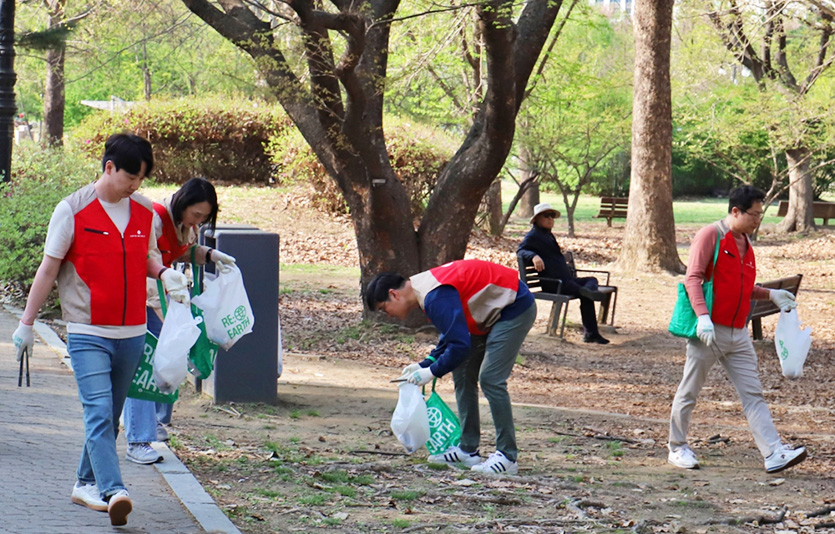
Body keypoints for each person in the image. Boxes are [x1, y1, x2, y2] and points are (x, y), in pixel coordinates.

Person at [11, 133, 190, 526]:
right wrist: (27, 324)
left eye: (141, 178)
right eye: (130, 176)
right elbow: (48, 268)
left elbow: (149, 258)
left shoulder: (145, 212)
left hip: (133, 332)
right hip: (87, 330)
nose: (135, 185)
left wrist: (165, 274)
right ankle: (114, 490)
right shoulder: (72, 210)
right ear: (109, 167)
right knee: (97, 412)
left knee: (109, 415)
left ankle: (84, 482)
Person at [668, 185, 807, 473]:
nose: (758, 220)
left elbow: (740, 287)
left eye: (761, 214)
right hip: (709, 332)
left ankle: (773, 453)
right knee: (690, 391)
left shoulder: (746, 242)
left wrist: (770, 294)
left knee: (752, 394)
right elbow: (692, 278)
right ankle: (677, 447)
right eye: (754, 214)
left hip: (738, 333)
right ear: (735, 211)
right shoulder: (711, 236)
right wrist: (703, 317)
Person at [366, 259, 536, 475]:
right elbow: (453, 333)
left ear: (394, 294)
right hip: (486, 311)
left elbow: (459, 345)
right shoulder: (424, 289)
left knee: (491, 379)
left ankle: (507, 456)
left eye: (384, 309)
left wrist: (431, 372)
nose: (388, 315)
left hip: (514, 306)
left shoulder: (433, 296)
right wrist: (426, 363)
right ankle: (468, 449)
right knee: (462, 373)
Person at [122, 177, 236, 465]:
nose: (198, 220)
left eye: (204, 217)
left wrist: (210, 254)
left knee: (168, 361)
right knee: (147, 365)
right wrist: (166, 310)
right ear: (182, 204)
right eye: (196, 214)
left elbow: (181, 251)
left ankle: (156, 423)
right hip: (145, 299)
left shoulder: (185, 226)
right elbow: (148, 259)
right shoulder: (155, 220)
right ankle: (139, 438)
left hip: (166, 299)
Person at [517, 202, 609, 344]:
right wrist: (534, 256)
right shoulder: (534, 235)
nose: (550, 219)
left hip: (567, 280)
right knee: (585, 293)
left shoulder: (548, 235)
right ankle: (591, 332)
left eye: (552, 216)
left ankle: (588, 296)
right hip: (555, 284)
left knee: (591, 280)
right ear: (537, 219)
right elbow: (521, 250)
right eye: (546, 216)